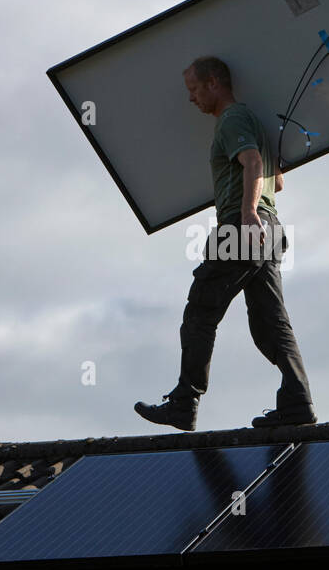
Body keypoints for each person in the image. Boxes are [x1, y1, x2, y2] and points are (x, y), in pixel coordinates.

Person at [134, 56, 316, 431]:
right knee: (270, 322)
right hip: (271, 228)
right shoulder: (254, 122)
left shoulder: (232, 119)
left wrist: (247, 213)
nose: (191, 98)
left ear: (214, 82)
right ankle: (298, 403)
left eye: (194, 89)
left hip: (241, 226)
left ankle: (184, 404)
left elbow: (251, 163)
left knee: (201, 311)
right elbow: (276, 182)